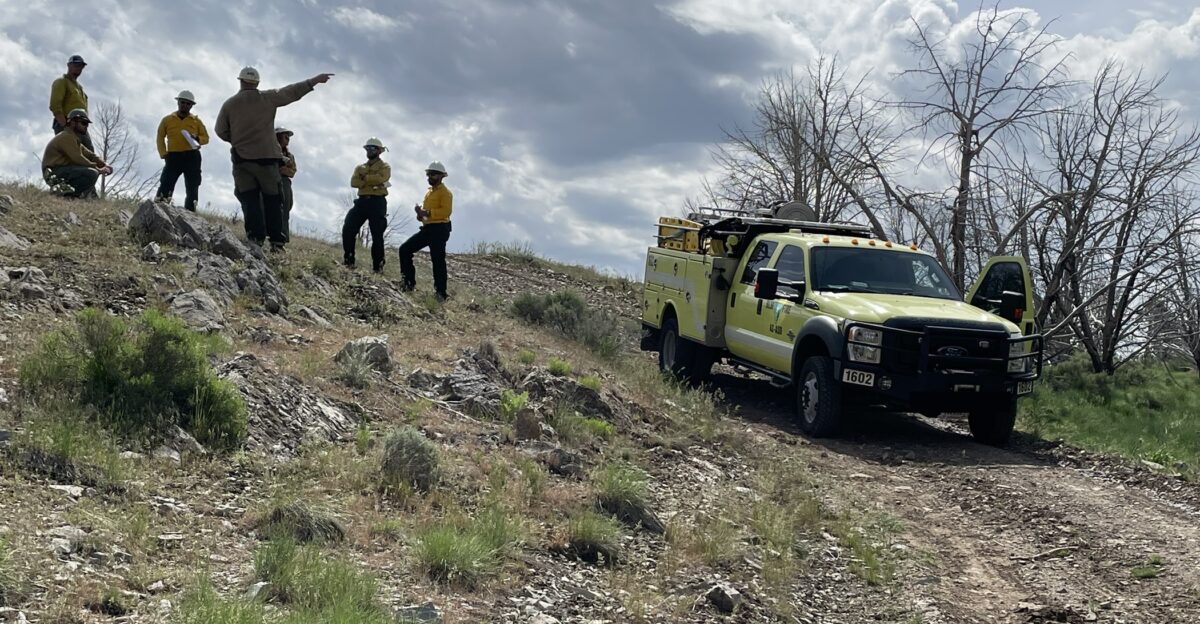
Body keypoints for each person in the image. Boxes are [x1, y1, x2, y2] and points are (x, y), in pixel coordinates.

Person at [215, 66, 332, 251]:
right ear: (257, 83)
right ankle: (277, 242)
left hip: (242, 160)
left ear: (240, 81)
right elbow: (291, 92)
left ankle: (255, 239)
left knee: (250, 200)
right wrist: (313, 81)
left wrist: (238, 141)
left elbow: (220, 130)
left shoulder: (229, 104)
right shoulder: (267, 98)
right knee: (273, 200)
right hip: (267, 160)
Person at [398, 161, 453, 300]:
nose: (430, 176)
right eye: (429, 174)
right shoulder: (429, 193)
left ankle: (441, 293)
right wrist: (420, 214)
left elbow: (446, 211)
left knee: (437, 260)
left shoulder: (445, 193)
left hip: (439, 229)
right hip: (428, 229)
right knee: (404, 249)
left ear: (441, 176)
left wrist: (427, 213)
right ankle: (408, 283)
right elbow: (427, 214)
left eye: (433, 174)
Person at [154, 90, 209, 211]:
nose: (185, 105)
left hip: (192, 157)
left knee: (193, 186)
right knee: (166, 183)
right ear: (178, 102)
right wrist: (164, 154)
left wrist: (197, 139)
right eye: (182, 102)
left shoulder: (196, 121)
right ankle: (159, 209)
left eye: (188, 103)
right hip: (173, 157)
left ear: (192, 106)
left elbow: (206, 138)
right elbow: (160, 137)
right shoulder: (167, 120)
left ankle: (190, 213)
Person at [342, 138, 391, 272]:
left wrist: (365, 178)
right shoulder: (360, 167)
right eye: (367, 148)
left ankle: (378, 267)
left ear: (379, 151)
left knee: (377, 234)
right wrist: (372, 181)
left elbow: (382, 178)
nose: (369, 150)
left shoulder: (385, 167)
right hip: (362, 201)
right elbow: (354, 182)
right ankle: (349, 260)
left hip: (377, 202)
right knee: (348, 228)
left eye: (373, 148)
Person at [42, 109, 112, 198]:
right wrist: (98, 169)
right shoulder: (66, 137)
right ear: (72, 122)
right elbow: (78, 158)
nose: (86, 127)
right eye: (83, 123)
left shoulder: (74, 139)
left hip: (62, 171)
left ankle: (68, 194)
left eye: (87, 124)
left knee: (92, 172)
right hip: (54, 172)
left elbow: (90, 155)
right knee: (91, 173)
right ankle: (65, 195)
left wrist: (105, 164)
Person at [49, 55, 92, 151]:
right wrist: (65, 126)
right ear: (69, 65)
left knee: (89, 153)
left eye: (81, 66)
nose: (79, 68)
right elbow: (55, 105)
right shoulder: (61, 82)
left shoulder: (81, 90)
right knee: (71, 152)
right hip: (67, 124)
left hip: (81, 127)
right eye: (76, 65)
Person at [276, 127, 296, 241]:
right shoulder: (269, 150)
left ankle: (282, 238)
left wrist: (283, 170)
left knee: (286, 207)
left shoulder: (290, 156)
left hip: (285, 183)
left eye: (288, 137)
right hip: (271, 181)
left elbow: (293, 171)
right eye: (285, 136)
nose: (288, 139)